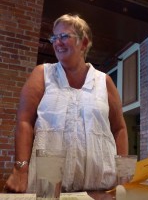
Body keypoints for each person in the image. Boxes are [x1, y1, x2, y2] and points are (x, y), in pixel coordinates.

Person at [4, 14, 128, 193]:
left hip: (101, 184)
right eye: (54, 37)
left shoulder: (104, 81)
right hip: (48, 183)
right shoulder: (43, 73)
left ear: (83, 43)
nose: (57, 42)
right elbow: (24, 122)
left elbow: (120, 128)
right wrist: (20, 170)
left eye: (64, 36)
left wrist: (125, 175)